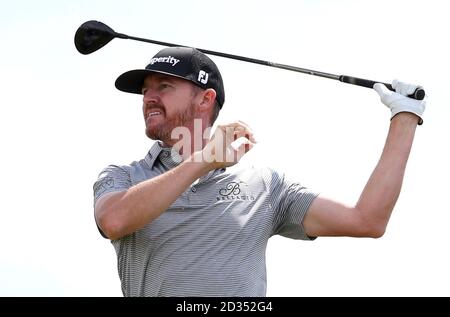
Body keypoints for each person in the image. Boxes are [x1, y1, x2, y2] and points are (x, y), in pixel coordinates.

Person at [93, 46, 426, 297]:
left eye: (163, 87)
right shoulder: (123, 177)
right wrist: (204, 160)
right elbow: (114, 220)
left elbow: (367, 220)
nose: (148, 98)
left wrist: (405, 118)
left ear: (205, 99)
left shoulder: (266, 186)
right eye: (145, 91)